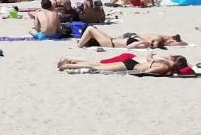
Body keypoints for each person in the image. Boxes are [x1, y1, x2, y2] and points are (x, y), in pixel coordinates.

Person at [57, 53, 190, 75]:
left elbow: (149, 59)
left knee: (97, 64)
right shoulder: (164, 67)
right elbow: (146, 72)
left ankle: (69, 61)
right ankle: (68, 66)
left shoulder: (164, 61)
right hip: (130, 66)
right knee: (96, 67)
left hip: (132, 62)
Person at [78, 26, 184, 50]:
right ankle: (83, 42)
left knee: (90, 29)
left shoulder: (144, 44)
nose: (150, 42)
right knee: (94, 29)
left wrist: (138, 43)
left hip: (110, 43)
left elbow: (129, 46)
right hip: (112, 40)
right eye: (153, 41)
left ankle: (79, 45)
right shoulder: (147, 41)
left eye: (152, 44)